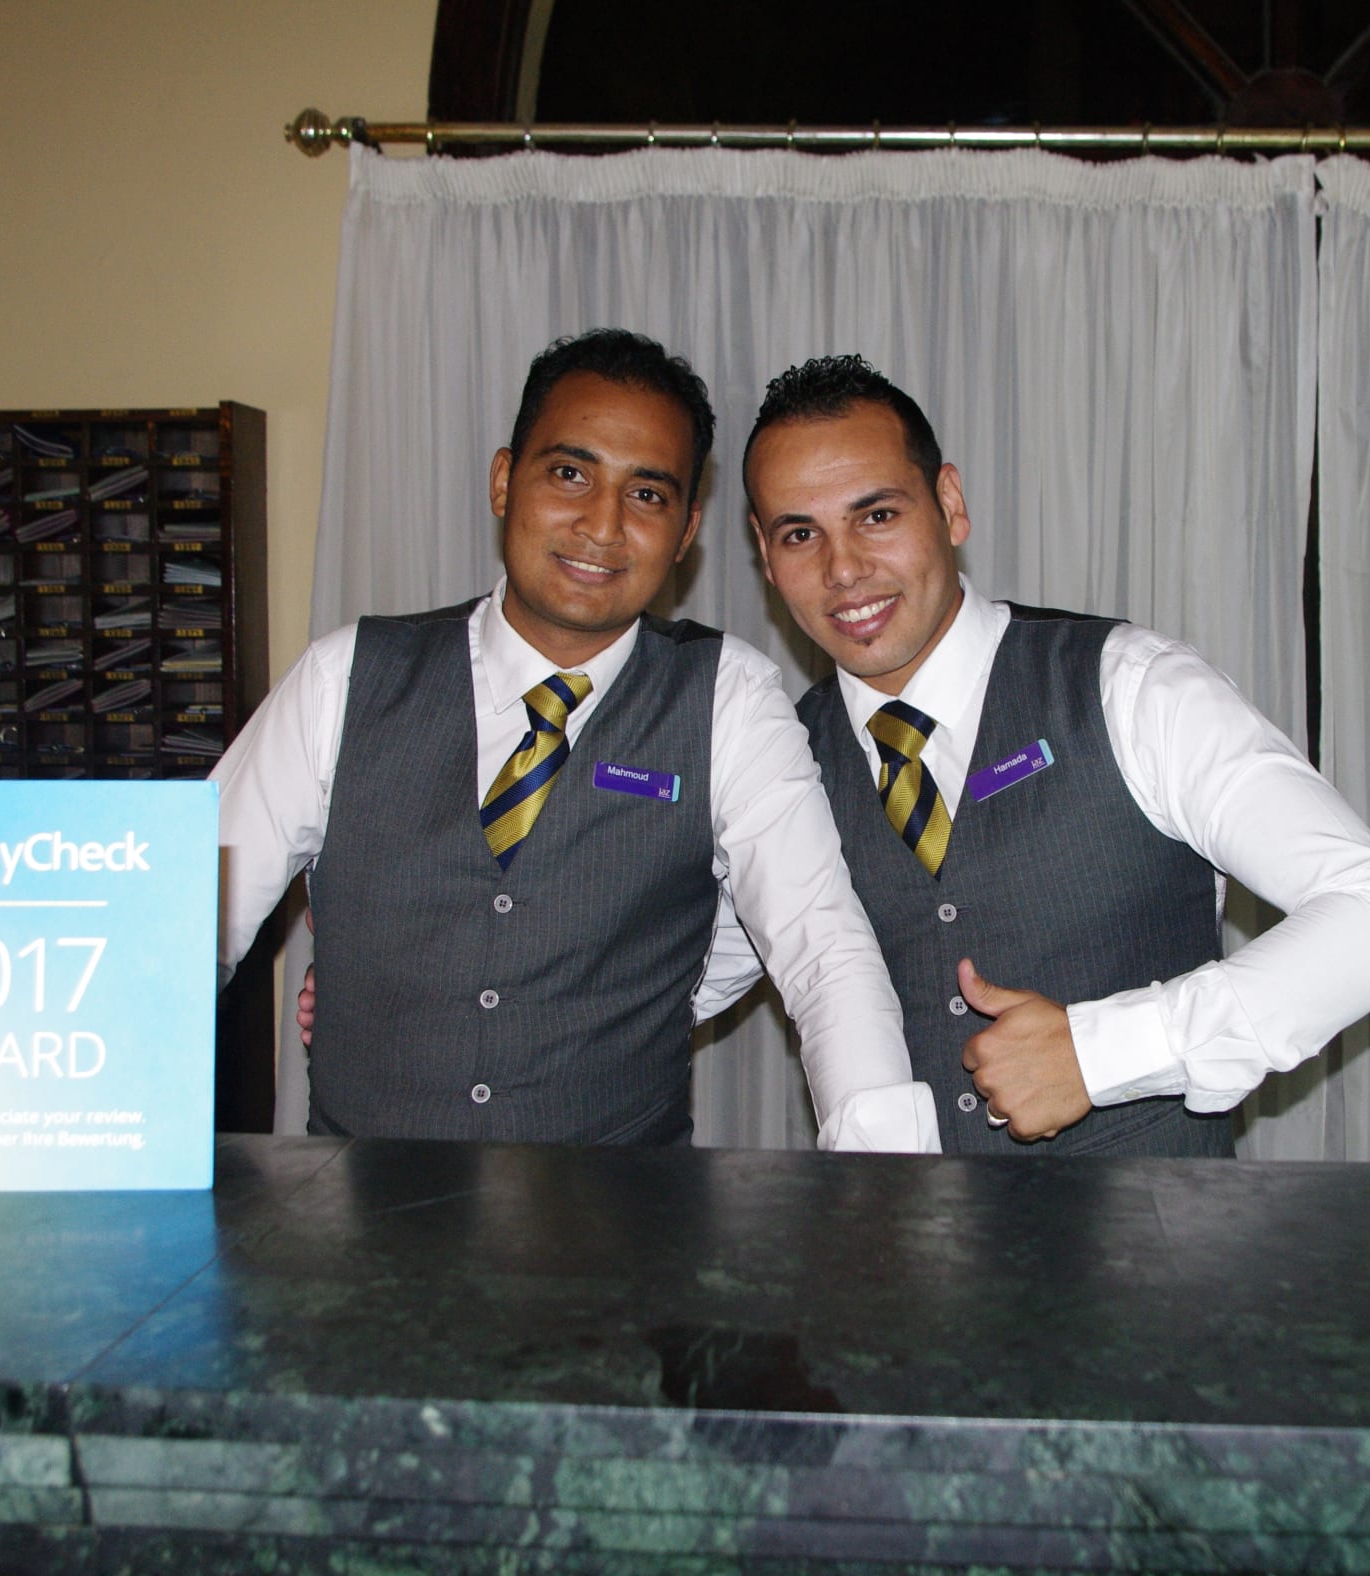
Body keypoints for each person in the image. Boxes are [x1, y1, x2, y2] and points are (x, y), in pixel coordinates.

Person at [215, 331, 935, 1152]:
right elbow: (186, 930)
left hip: (624, 1218)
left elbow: (822, 950)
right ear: (503, 481)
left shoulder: (729, 696)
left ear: (687, 531)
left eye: (647, 494)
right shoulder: (344, 677)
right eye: (569, 474)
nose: (602, 524)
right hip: (361, 1210)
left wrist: (884, 1187)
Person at [739, 355, 1370, 1155]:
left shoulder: (1132, 685)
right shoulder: (773, 763)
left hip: (1157, 1230)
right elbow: (671, 967)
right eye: (801, 534)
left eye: (877, 515)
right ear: (766, 556)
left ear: (950, 504)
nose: (844, 569)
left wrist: (1104, 1053)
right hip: (907, 1236)